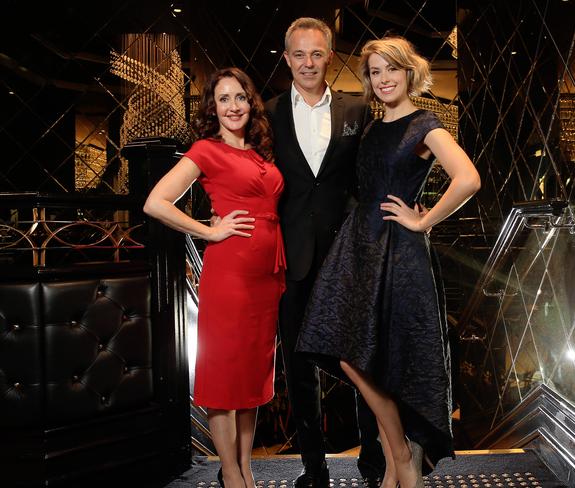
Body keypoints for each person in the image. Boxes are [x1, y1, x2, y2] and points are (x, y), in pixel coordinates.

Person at [296, 36, 481, 488]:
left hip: (397, 253)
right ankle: (398, 459)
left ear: (410, 73)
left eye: (391, 70)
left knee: (387, 356)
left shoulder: (424, 124)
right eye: (375, 72)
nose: (383, 80)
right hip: (360, 246)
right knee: (357, 355)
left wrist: (425, 220)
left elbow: (468, 178)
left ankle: (401, 460)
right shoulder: (372, 128)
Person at [143, 67, 284, 488]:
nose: (233, 106)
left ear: (250, 102)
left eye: (240, 97)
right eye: (224, 99)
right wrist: (209, 230)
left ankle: (245, 469)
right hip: (231, 275)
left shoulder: (261, 153)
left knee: (253, 377)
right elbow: (156, 202)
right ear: (213, 107)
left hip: (267, 278)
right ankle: (230, 472)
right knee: (225, 376)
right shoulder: (206, 150)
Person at [265, 17, 384, 488]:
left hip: (348, 252)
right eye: (299, 54)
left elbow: (371, 175)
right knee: (299, 367)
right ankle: (313, 468)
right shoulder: (268, 112)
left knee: (361, 360)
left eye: (317, 53)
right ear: (287, 57)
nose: (308, 62)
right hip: (291, 255)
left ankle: (373, 462)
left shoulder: (359, 109)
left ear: (329, 56)